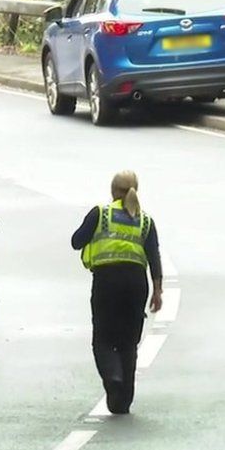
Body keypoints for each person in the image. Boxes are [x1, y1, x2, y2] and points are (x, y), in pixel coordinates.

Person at [72, 171, 163, 415]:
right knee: (128, 342)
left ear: (113, 191)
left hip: (107, 281)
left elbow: (76, 241)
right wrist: (158, 290)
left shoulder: (100, 214)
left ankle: (113, 376)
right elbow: (154, 256)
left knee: (102, 338)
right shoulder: (145, 221)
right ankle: (124, 400)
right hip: (136, 284)